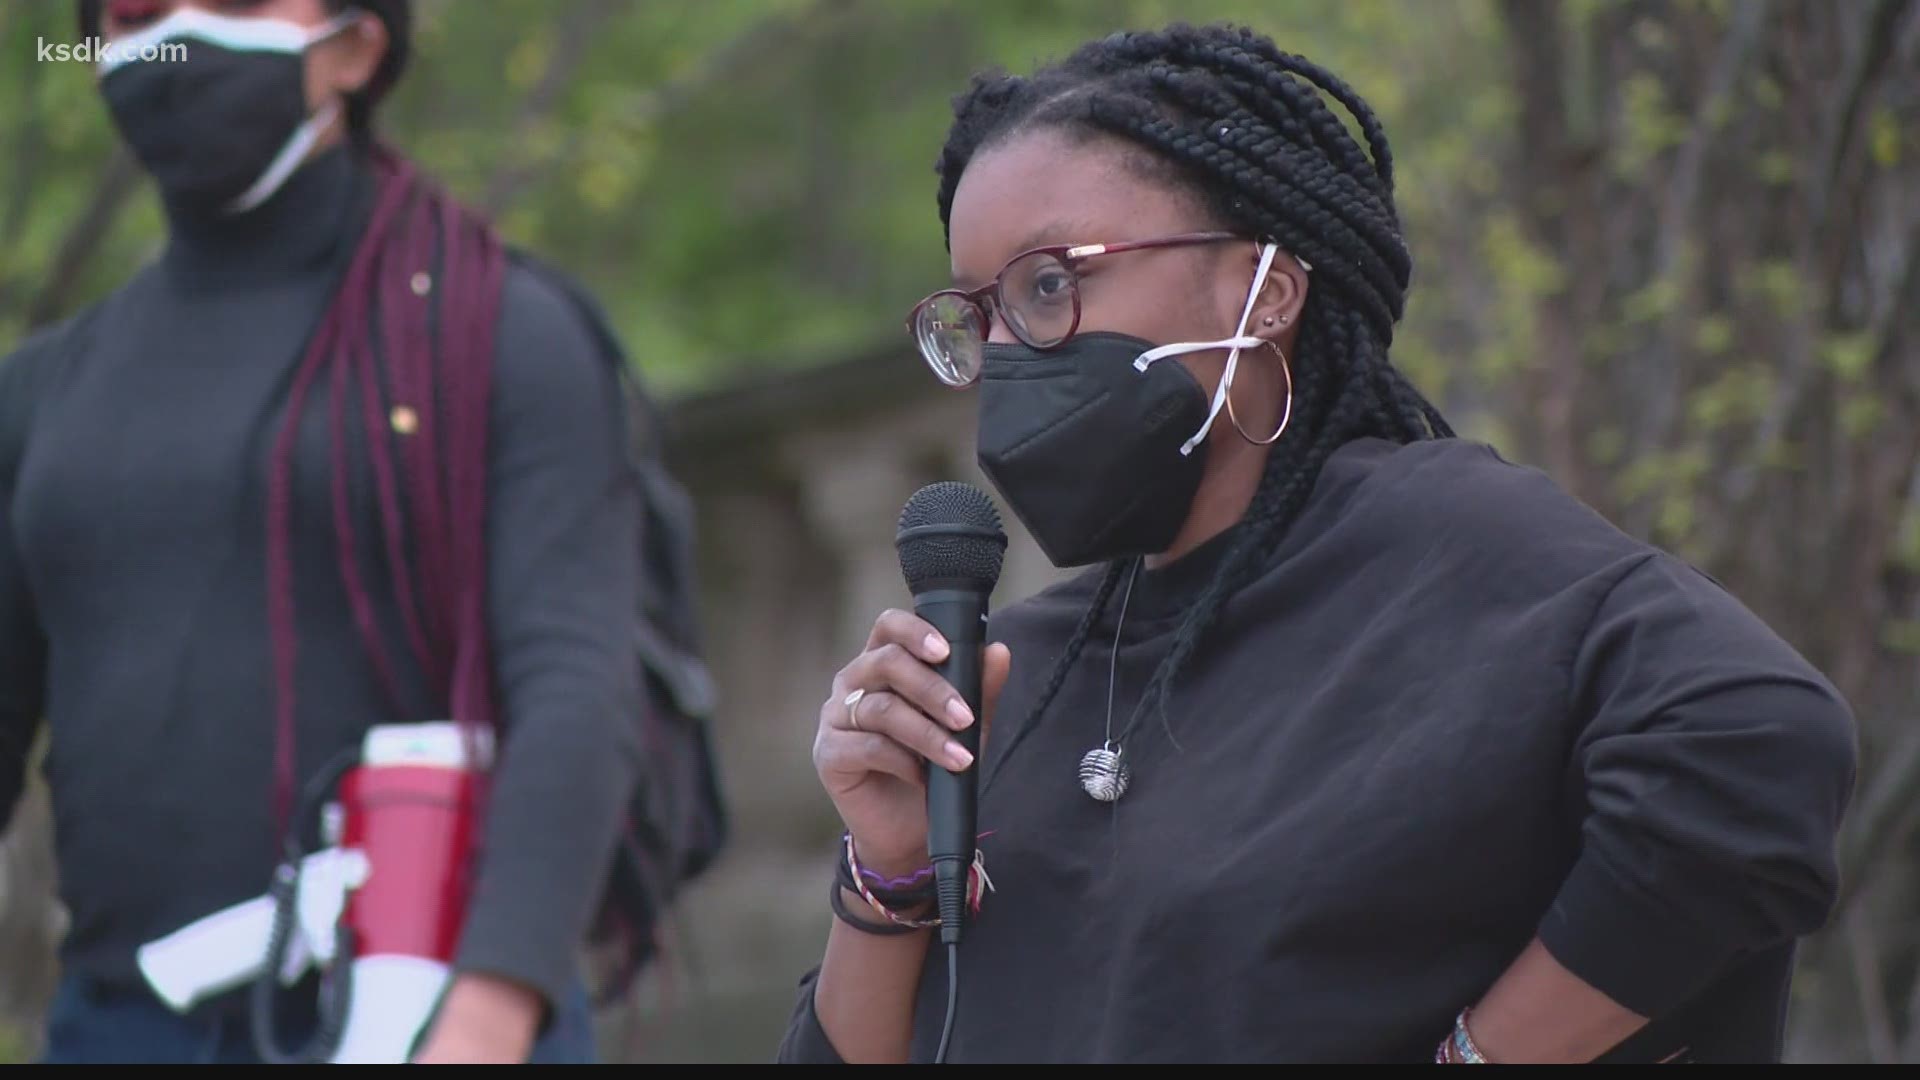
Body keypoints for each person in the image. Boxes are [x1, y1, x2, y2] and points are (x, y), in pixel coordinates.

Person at [778, 22, 1857, 1065]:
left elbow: (1755, 749)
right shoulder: (1021, 671)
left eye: (1050, 286)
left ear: (1265, 292)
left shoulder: (1445, 549)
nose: (1010, 352)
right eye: (981, 315)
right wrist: (893, 867)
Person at [0, 0, 652, 1063]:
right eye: (134, 14)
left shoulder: (505, 332)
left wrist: (489, 1013)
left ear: (355, 42)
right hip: (116, 1030)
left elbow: (577, 689)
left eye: (238, 3)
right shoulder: (39, 396)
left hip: (426, 1014)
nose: (177, 39)